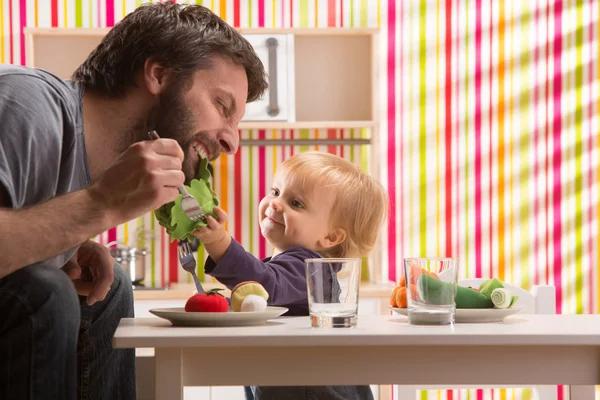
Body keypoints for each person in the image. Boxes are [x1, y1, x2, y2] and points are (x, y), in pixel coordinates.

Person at [0, 2, 268, 399]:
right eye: (222, 106)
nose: (232, 141)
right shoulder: (25, 100)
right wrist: (97, 205)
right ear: (158, 74)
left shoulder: (85, 164)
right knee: (44, 291)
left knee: (110, 288)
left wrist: (68, 241)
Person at [193, 151, 388, 400]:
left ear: (330, 237)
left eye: (296, 203)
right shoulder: (290, 267)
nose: (275, 203)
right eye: (275, 192)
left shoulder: (311, 269)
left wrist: (218, 240)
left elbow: (264, 285)